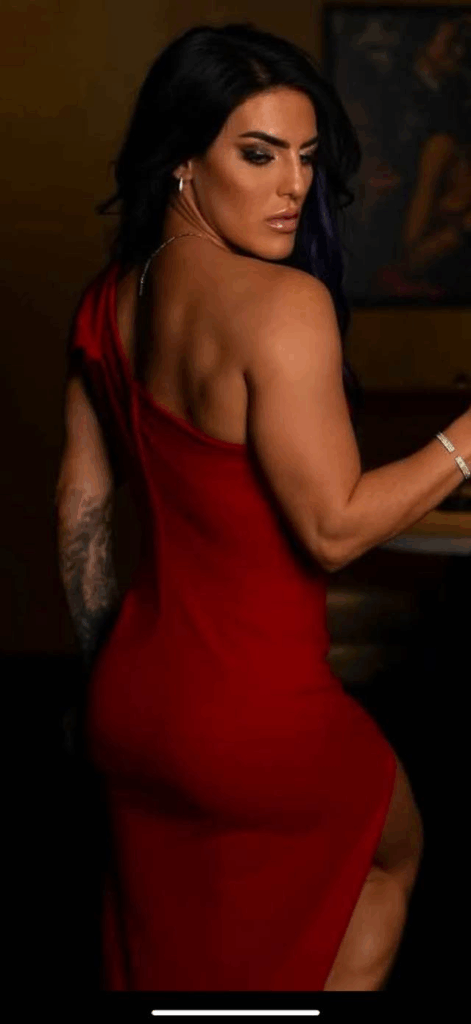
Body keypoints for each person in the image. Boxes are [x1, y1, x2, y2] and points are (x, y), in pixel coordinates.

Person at [54, 22, 471, 992]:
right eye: (259, 154)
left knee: (182, 952)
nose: (294, 186)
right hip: (258, 714)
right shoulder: (283, 306)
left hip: (133, 701)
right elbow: (333, 528)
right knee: (390, 859)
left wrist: (107, 676)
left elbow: (81, 504)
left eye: (307, 156)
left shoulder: (107, 298)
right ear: (182, 160)